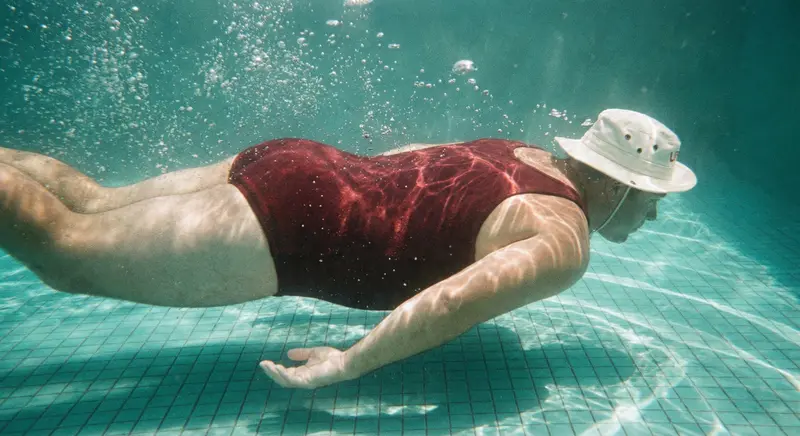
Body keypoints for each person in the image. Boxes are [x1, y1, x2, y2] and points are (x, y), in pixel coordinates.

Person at [0, 108, 696, 388]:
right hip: (295, 228)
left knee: (88, 203)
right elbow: (450, 302)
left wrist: (319, 187)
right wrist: (347, 365)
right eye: (655, 197)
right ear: (619, 186)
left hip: (299, 162)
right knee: (66, 252)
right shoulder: (563, 238)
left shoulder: (520, 151)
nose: (657, 214)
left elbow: (406, 164)